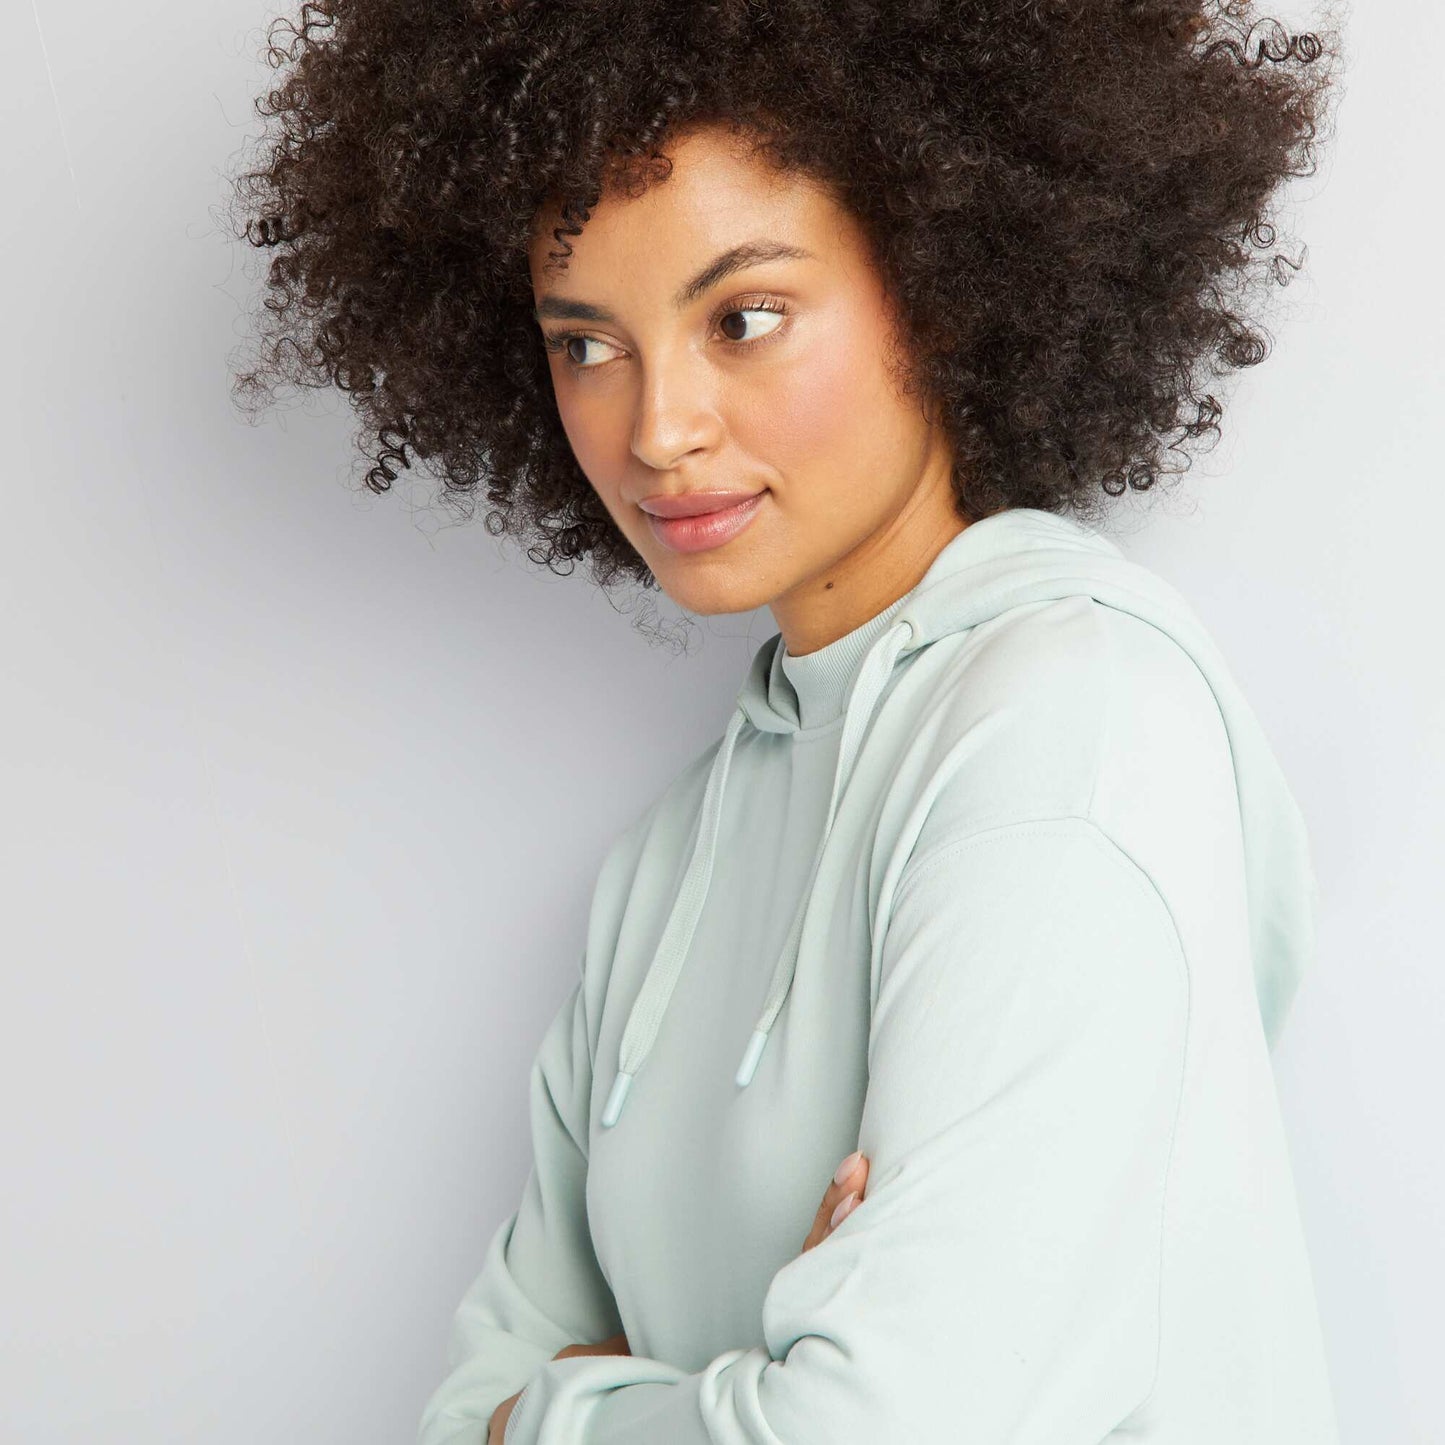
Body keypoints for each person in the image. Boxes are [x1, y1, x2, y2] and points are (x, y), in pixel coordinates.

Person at [225, 4, 1345, 1440]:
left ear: (940, 286)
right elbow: (458, 1411)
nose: (656, 428)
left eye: (741, 317)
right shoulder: (670, 851)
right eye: (585, 344)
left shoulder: (1069, 728)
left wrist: (561, 1411)